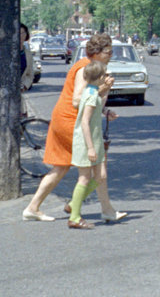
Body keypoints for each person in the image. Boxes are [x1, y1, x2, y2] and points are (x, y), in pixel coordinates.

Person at [22, 33, 125, 223]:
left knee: (61, 166)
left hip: (67, 119)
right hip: (73, 121)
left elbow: (91, 101)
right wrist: (103, 90)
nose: (111, 55)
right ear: (97, 52)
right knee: (98, 167)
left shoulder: (93, 68)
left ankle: (33, 207)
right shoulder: (85, 68)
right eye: (108, 52)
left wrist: (105, 109)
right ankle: (104, 209)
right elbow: (78, 100)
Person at [67, 60, 109, 230]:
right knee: (84, 178)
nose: (106, 77)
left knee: (100, 176)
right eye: (105, 75)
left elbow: (98, 107)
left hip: (94, 140)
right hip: (87, 142)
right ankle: (75, 217)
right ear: (99, 77)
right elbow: (85, 122)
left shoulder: (91, 91)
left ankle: (73, 204)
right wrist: (90, 148)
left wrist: (107, 92)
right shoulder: (91, 95)